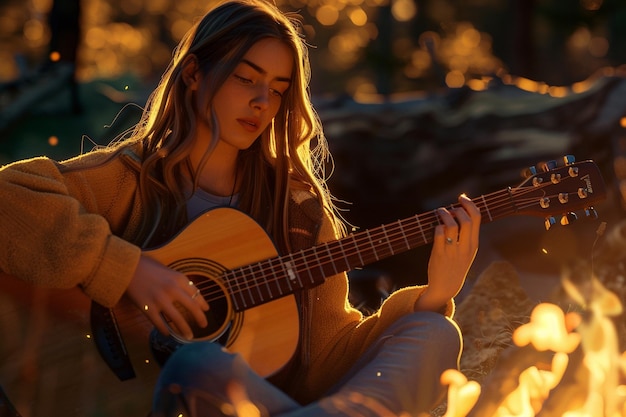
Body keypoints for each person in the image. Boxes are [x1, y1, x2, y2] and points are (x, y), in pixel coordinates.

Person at [0, 0, 481, 415]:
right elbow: (9, 198)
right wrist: (128, 270)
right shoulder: (129, 178)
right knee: (198, 362)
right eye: (245, 78)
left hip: (267, 405)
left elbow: (327, 359)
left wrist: (435, 295)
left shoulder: (296, 207)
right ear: (193, 74)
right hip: (166, 397)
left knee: (435, 333)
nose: (260, 102)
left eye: (276, 89)